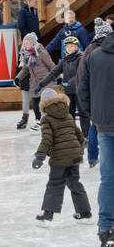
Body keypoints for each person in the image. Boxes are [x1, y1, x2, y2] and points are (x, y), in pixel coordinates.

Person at [32, 87, 92, 225]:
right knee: (75, 183)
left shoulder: (46, 119)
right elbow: (79, 135)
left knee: (55, 184)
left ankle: (48, 214)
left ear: (43, 104)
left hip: (59, 158)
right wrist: (80, 149)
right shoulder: (68, 114)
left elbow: (47, 139)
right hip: (74, 156)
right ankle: (85, 213)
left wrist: (40, 156)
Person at [77, 24, 114, 247]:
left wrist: (95, 115)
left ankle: (106, 226)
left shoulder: (93, 55)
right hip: (104, 125)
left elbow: (82, 90)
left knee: (108, 178)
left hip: (103, 126)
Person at [17, 33, 54, 131]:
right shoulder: (27, 54)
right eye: (24, 43)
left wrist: (57, 76)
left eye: (27, 43)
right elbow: (25, 69)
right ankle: (38, 120)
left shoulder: (42, 52)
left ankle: (46, 121)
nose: (25, 45)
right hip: (34, 82)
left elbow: (51, 65)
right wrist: (17, 78)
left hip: (44, 81)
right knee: (34, 103)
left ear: (32, 42)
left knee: (44, 102)